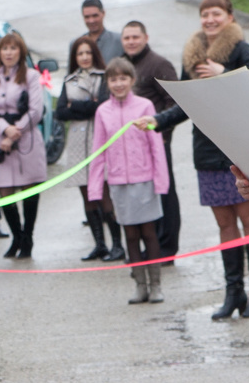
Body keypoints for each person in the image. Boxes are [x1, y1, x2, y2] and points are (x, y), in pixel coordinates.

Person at [164, 0, 249, 320]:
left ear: (229, 16)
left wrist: (223, 71)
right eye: (205, 14)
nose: (210, 19)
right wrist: (156, 121)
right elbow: (186, 102)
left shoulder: (240, 48)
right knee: (224, 224)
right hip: (206, 149)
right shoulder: (192, 54)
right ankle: (233, 291)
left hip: (237, 147)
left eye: (216, 14)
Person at [86, 58, 168, 303]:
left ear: (132, 80)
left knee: (149, 233)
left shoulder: (144, 106)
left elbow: (156, 146)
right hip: (119, 183)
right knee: (130, 235)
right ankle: (139, 284)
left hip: (144, 181)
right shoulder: (103, 111)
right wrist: (95, 188)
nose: (118, 83)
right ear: (107, 83)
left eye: (123, 78)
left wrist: (160, 181)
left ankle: (156, 285)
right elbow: (98, 150)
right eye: (113, 79)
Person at [119, 20, 182, 259]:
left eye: (135, 37)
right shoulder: (122, 66)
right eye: (127, 38)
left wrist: (163, 134)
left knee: (164, 192)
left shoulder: (159, 64)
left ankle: (167, 247)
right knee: (143, 195)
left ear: (146, 38)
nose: (131, 42)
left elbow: (176, 103)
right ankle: (150, 246)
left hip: (157, 141)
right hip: (132, 148)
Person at [0, 31, 46, 259]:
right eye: (5, 49)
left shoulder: (31, 76)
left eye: (13, 48)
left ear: (21, 52)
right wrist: (4, 130)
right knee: (5, 190)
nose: (9, 53)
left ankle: (28, 237)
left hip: (25, 137)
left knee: (29, 189)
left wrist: (15, 131)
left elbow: (36, 110)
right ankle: (16, 236)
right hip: (0, 138)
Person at [58, 38, 116, 260]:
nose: (83, 57)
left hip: (97, 138)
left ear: (94, 54)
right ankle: (99, 244)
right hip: (77, 143)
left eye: (87, 53)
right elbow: (61, 111)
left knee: (104, 193)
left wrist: (78, 106)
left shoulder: (103, 77)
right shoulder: (68, 80)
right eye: (79, 53)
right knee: (86, 194)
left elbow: (101, 105)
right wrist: (86, 106)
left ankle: (117, 243)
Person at [69, 0, 121, 75]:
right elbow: (70, 76)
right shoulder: (76, 44)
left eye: (95, 16)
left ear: (103, 13)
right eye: (87, 17)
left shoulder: (119, 41)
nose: (91, 21)